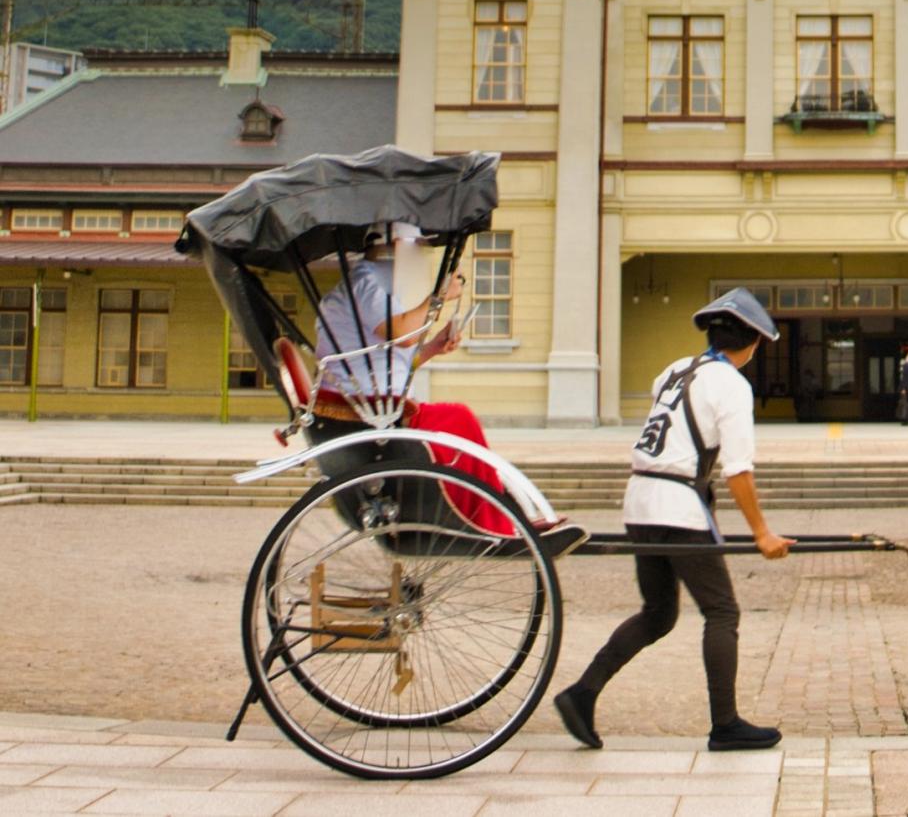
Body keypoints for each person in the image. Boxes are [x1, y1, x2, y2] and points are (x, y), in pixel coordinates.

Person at [553, 288, 793, 753]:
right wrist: (762, 533)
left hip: (640, 500)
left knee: (659, 613)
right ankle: (725, 724)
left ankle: (582, 694)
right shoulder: (732, 386)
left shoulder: (674, 370)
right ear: (753, 344)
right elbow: (738, 469)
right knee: (722, 611)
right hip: (677, 506)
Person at [314, 221, 513, 536]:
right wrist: (437, 296)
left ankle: (490, 511)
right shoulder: (366, 284)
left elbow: (390, 362)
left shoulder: (372, 284)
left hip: (373, 402)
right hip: (367, 411)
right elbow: (403, 334)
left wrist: (433, 347)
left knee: (456, 419)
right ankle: (486, 518)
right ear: (396, 246)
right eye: (418, 248)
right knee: (458, 418)